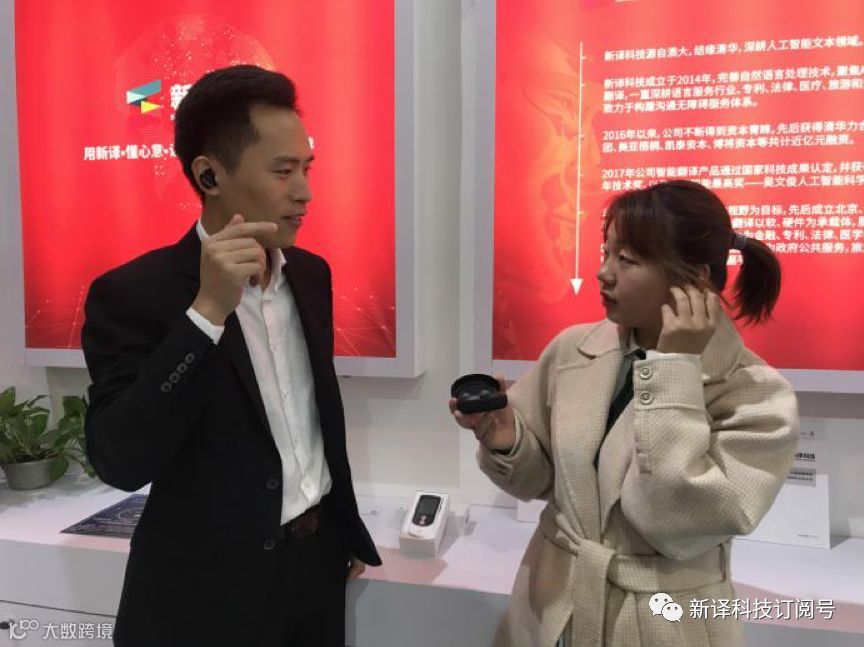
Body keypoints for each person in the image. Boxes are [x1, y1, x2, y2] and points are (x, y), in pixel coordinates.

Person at [82, 64, 380, 647]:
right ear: (209, 175)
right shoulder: (134, 293)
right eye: (283, 170)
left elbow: (312, 418)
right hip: (206, 593)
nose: (304, 191)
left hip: (315, 566)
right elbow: (120, 460)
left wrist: (340, 528)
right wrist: (206, 315)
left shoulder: (311, 276)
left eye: (308, 167)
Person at [450, 180, 799, 646]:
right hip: (550, 604)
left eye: (627, 260)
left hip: (662, 621)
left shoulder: (756, 397)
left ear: (695, 279)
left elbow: (670, 522)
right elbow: (540, 482)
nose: (603, 273)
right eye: (606, 252)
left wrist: (674, 369)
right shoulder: (574, 350)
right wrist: (504, 437)